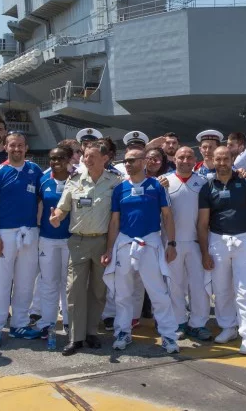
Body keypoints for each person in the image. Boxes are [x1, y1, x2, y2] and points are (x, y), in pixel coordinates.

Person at [102, 147, 180, 354]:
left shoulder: (156, 186)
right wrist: (109, 249)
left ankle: (169, 335)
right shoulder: (119, 189)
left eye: (132, 160)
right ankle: (122, 332)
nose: (128, 164)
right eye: (126, 161)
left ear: (144, 162)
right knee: (123, 294)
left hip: (150, 243)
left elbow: (167, 216)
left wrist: (171, 243)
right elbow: (114, 221)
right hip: (124, 244)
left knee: (158, 293)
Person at [50, 139, 122, 356]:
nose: (86, 160)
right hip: (78, 242)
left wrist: (110, 248)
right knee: (74, 291)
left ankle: (92, 332)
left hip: (101, 241)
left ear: (105, 159)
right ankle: (76, 337)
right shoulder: (74, 181)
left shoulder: (115, 182)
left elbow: (115, 219)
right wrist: (57, 217)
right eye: (84, 156)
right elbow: (62, 208)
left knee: (98, 291)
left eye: (91, 156)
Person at [198, 146, 246, 355]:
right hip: (217, 241)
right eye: (218, 159)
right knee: (222, 289)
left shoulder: (245, 182)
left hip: (244, 240)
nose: (222, 163)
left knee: (245, 290)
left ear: (232, 159)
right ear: (213, 161)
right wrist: (204, 253)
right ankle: (228, 327)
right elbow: (202, 223)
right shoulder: (207, 187)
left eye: (226, 158)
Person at [0, 131, 44, 347]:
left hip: (29, 233)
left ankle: (20, 324)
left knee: (26, 283)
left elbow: (43, 198)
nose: (16, 149)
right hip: (5, 234)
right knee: (0, 283)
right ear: (6, 148)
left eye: (20, 146)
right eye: (12, 145)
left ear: (26, 148)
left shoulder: (34, 170)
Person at [161, 146, 212, 341]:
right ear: (174, 159)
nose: (185, 160)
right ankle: (179, 322)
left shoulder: (204, 182)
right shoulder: (164, 181)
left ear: (194, 160)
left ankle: (198, 324)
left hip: (197, 242)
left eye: (189, 157)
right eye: (181, 157)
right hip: (172, 242)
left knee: (199, 285)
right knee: (175, 285)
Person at [35, 146, 73, 340]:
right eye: (52, 158)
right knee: (48, 282)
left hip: (70, 239)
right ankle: (47, 322)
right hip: (47, 239)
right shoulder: (42, 180)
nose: (56, 162)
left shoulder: (77, 180)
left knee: (69, 284)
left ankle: (69, 322)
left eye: (60, 158)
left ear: (69, 159)